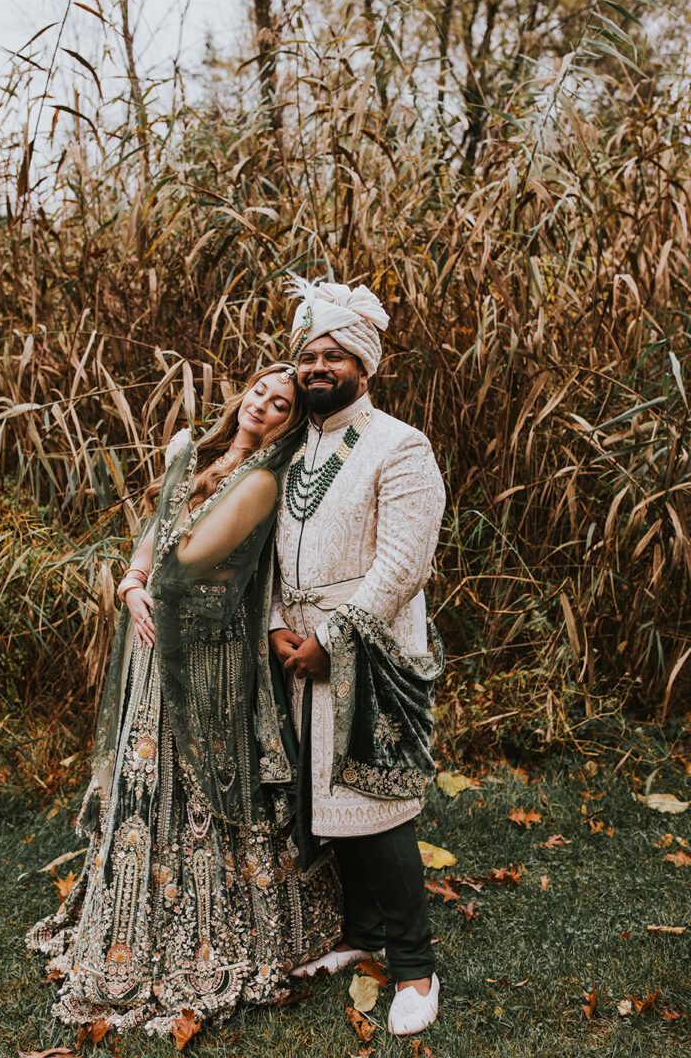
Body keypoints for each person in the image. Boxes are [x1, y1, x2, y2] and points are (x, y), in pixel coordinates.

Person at [27, 363, 341, 1036]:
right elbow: (154, 545)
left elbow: (190, 558)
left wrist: (171, 489)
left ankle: (213, 930)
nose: (263, 405)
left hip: (207, 649)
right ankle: (127, 920)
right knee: (150, 775)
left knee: (199, 775)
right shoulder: (206, 458)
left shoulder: (259, 480)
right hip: (155, 635)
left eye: (280, 404)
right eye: (260, 391)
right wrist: (130, 581)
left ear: (290, 423)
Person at [269, 277, 446, 1036]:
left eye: (333, 355)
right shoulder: (294, 448)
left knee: (380, 806)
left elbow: (403, 564)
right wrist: (276, 625)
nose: (316, 367)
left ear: (363, 366)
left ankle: (415, 968)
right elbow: (271, 554)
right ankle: (362, 936)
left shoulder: (399, 445)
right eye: (307, 356)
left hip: (371, 655)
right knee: (328, 803)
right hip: (300, 648)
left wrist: (332, 641)